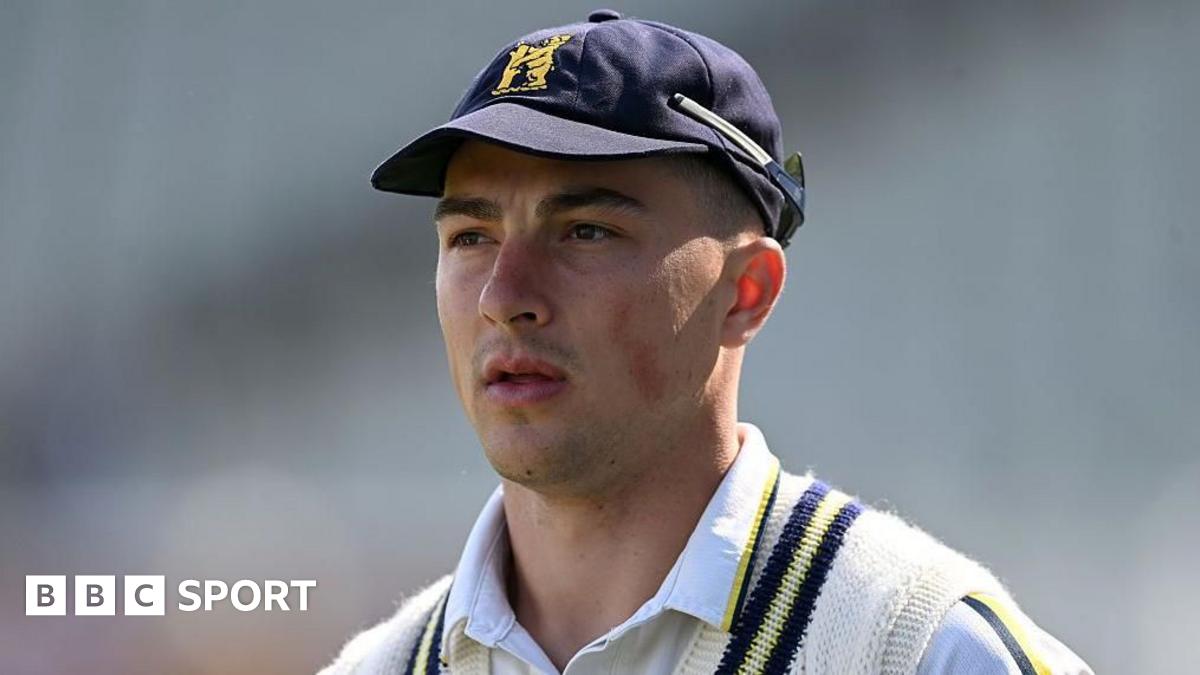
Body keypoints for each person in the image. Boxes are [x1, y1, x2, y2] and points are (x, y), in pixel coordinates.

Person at [320, 10, 1092, 675]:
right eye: (470, 236)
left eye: (586, 230)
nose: (502, 298)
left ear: (746, 291)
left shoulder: (918, 649)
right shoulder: (375, 666)